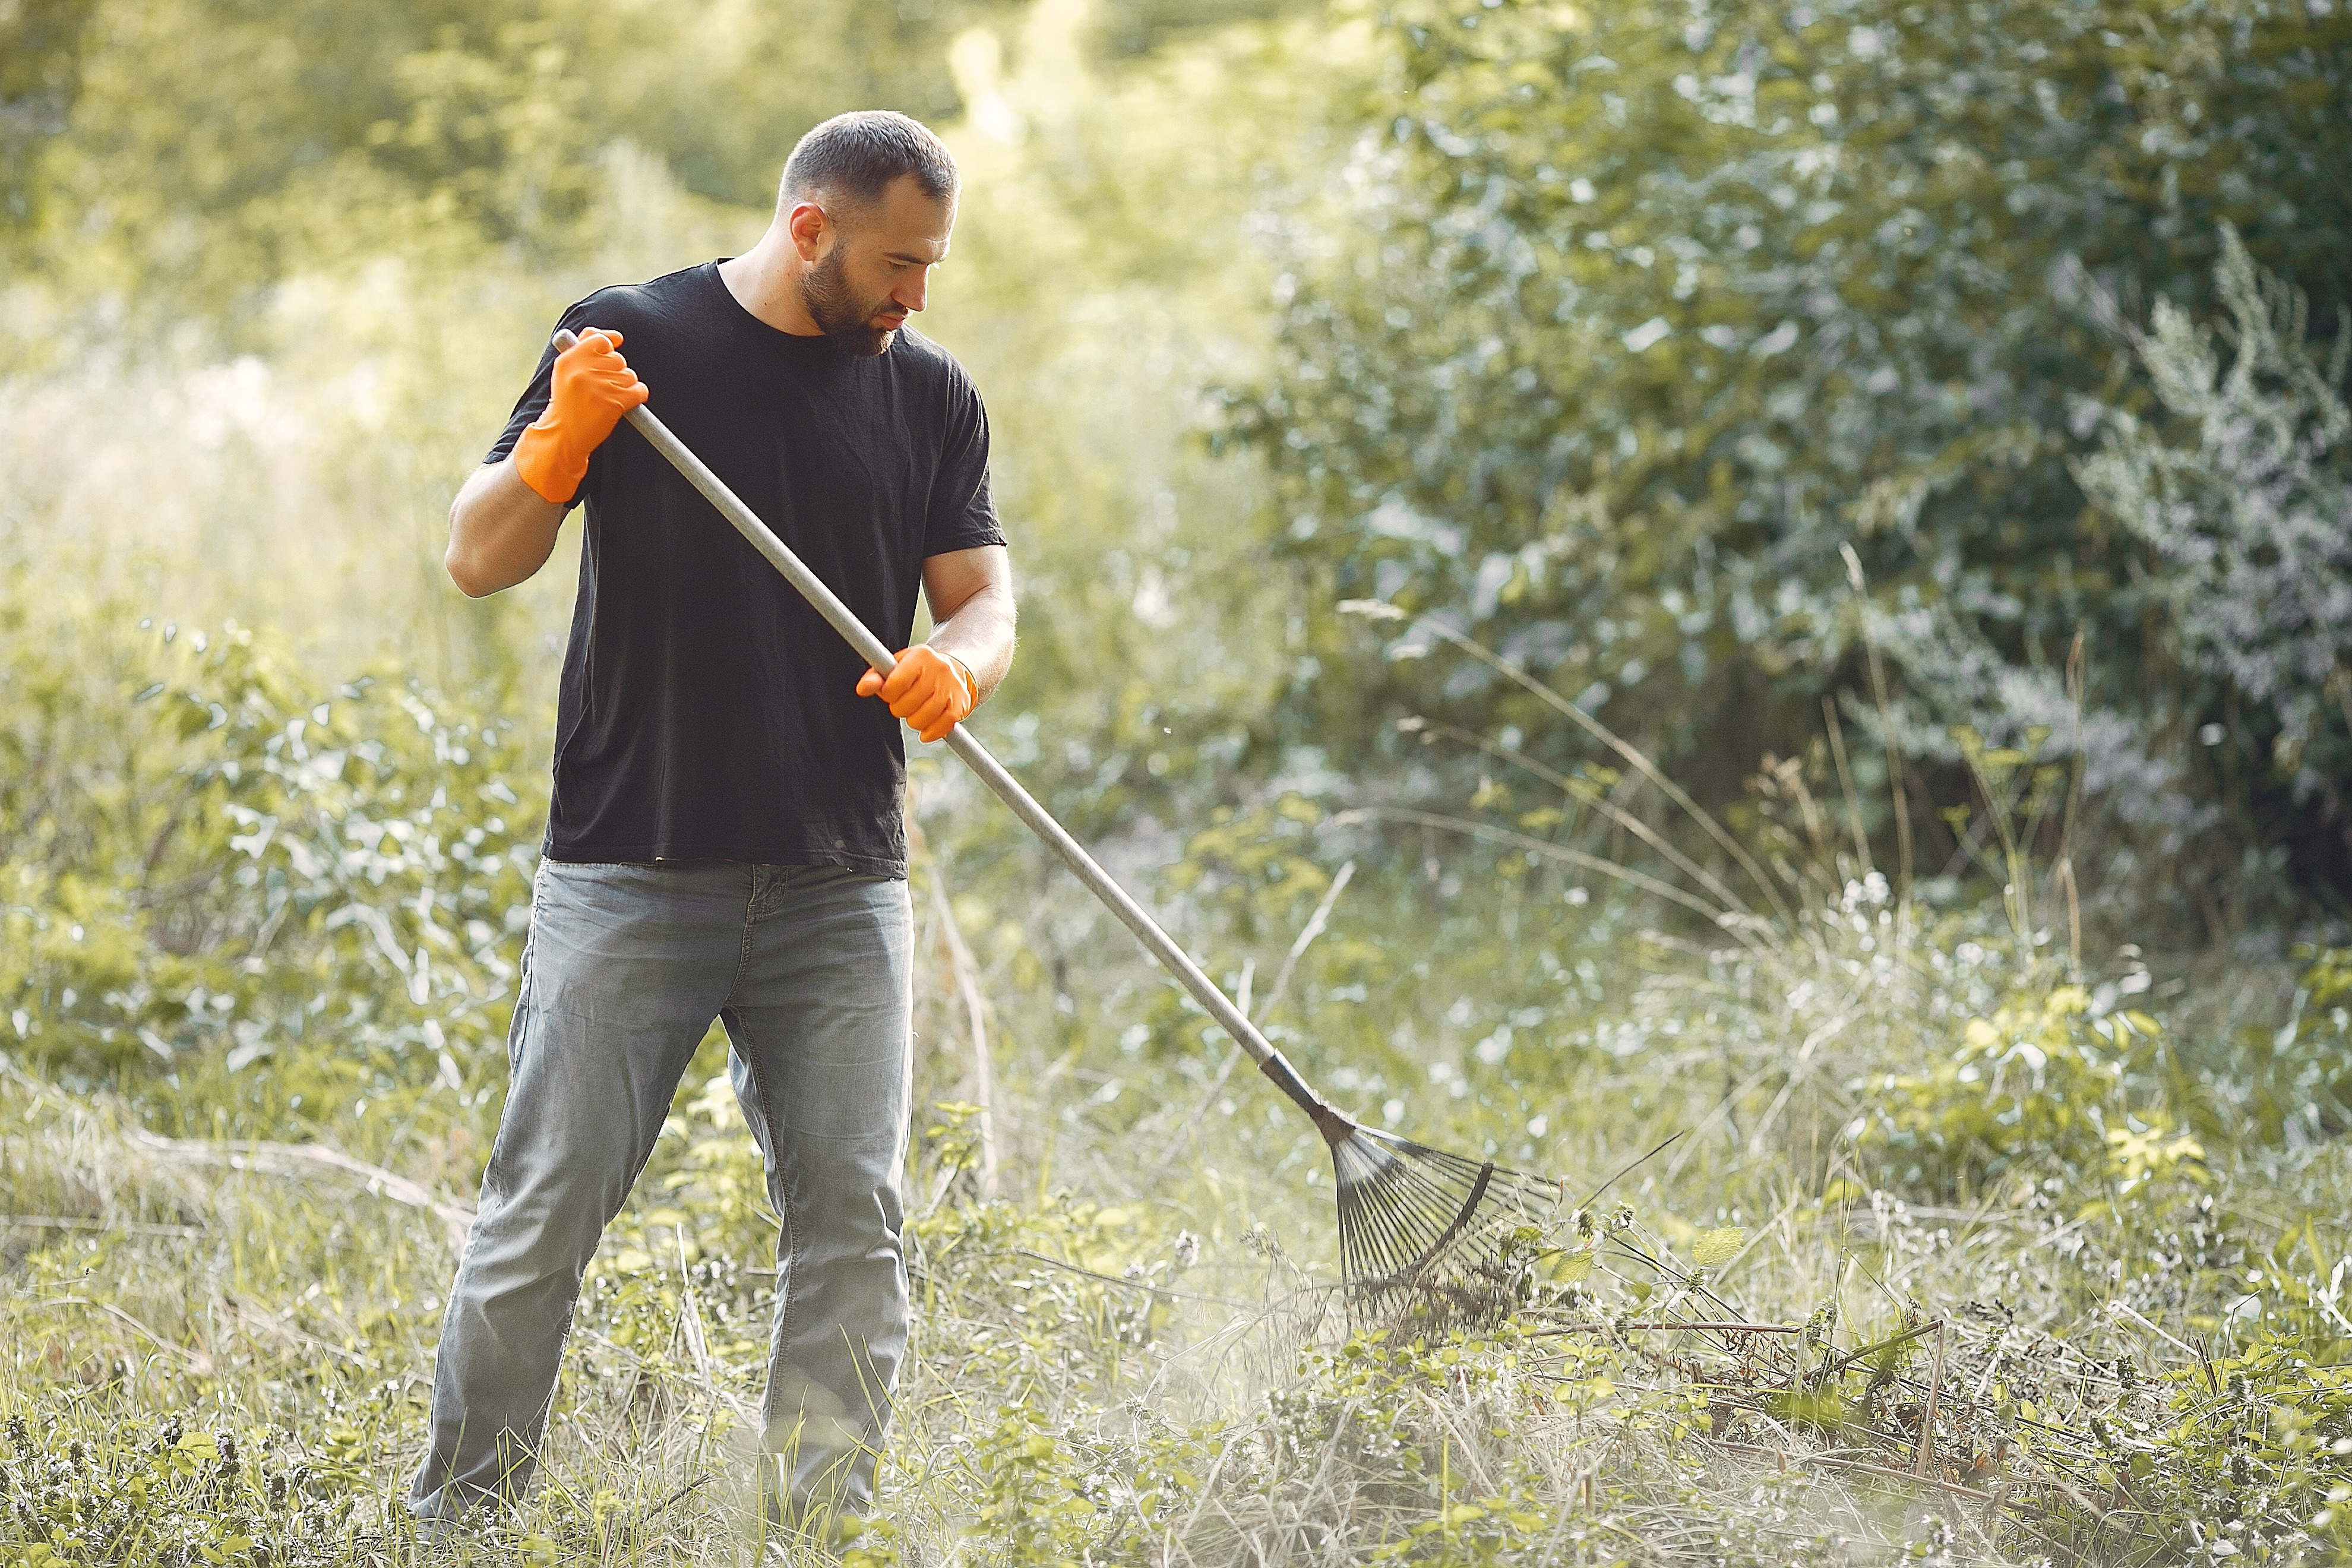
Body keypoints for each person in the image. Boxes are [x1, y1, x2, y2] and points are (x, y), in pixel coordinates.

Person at [413, 109, 1014, 1535]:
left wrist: (962, 666)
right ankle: (460, 1530)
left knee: (855, 1236)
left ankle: (817, 1537)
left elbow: (984, 596)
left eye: (930, 266)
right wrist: (561, 438)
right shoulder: (631, 341)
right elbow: (478, 557)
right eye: (895, 264)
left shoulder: (930, 394)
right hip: (634, 870)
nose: (914, 295)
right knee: (541, 1222)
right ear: (812, 229)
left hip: (841, 883)